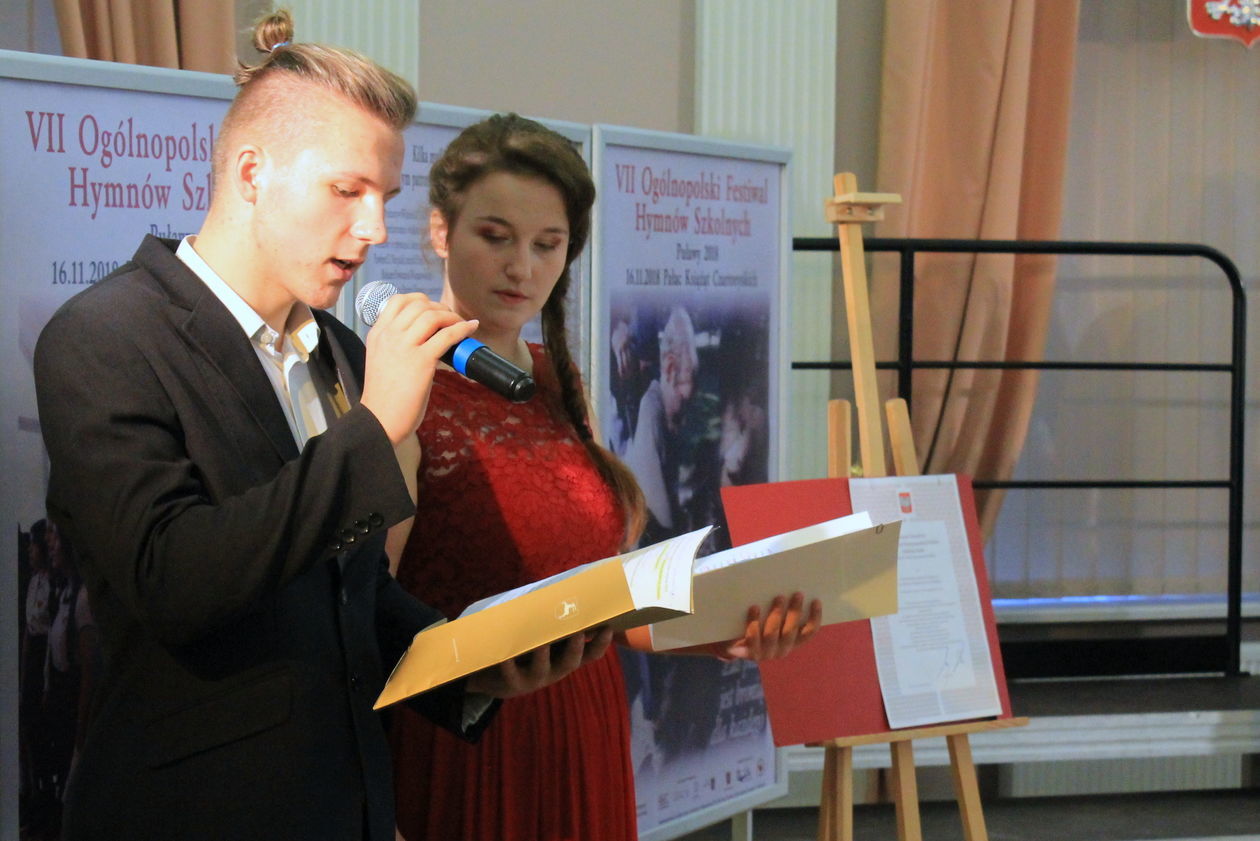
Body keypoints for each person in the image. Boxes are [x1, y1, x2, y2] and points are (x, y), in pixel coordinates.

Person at [32, 13, 603, 841]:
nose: (374, 230)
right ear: (252, 172)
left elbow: (346, 595)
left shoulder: (339, 348)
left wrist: (470, 662)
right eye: (347, 191)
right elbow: (173, 577)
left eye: (386, 199)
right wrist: (374, 432)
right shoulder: (106, 336)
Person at [386, 113, 822, 841]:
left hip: (585, 727)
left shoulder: (560, 380)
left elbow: (604, 605)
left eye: (546, 245)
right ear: (441, 231)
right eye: (495, 236)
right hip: (471, 744)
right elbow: (367, 621)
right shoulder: (404, 387)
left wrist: (722, 631)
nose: (521, 267)